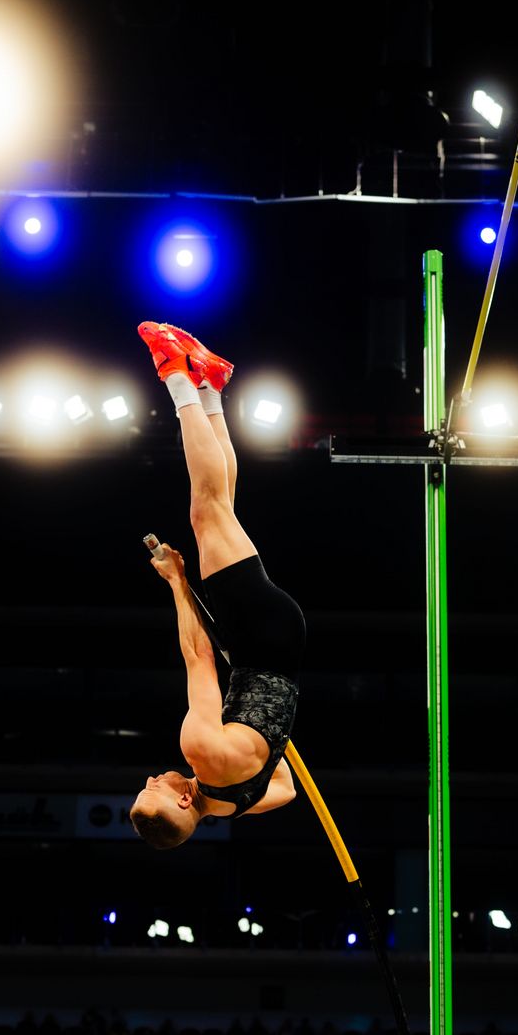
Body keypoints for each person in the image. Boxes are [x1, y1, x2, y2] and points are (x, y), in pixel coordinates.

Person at [129, 322, 304, 848]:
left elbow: (287, 788)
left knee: (222, 508)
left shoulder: (233, 805)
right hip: (256, 637)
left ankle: (209, 386)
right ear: (183, 802)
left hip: (280, 648)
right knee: (206, 511)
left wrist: (268, 733)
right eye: (154, 789)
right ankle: (177, 376)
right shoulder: (200, 751)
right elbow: (198, 656)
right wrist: (177, 583)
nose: (152, 778)